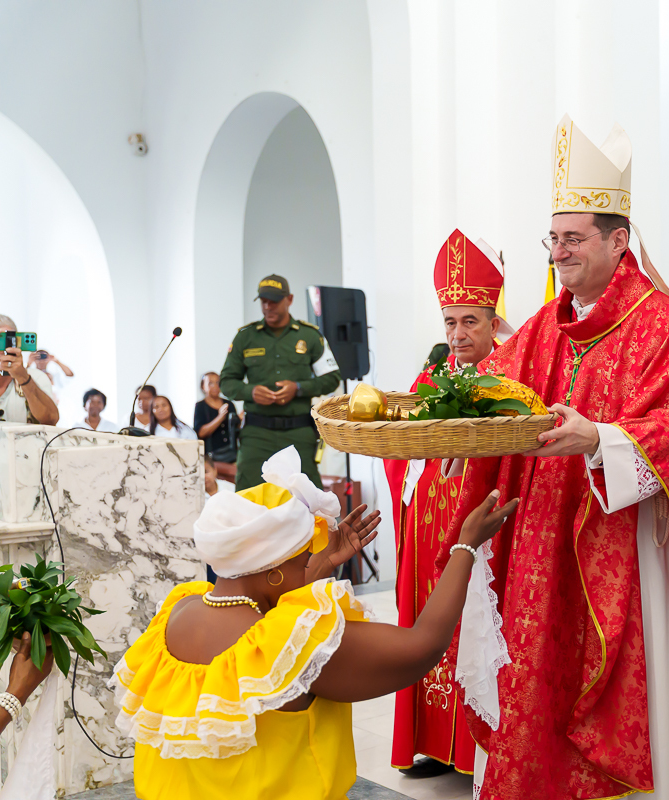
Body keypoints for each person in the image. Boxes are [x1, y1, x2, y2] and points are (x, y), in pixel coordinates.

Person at [438, 115, 669, 799]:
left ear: (617, 239)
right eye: (553, 239)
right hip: (539, 554)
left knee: (621, 699)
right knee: (533, 691)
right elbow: (496, 398)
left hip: (623, 547)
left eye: (573, 239)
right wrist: (460, 434)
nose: (558, 254)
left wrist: (603, 440)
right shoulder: (546, 327)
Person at [110, 446, 517, 800]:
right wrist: (466, 543)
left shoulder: (178, 610)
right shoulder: (284, 639)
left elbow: (275, 606)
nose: (313, 564)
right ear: (273, 572)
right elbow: (423, 646)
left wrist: (317, 567)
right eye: (305, 557)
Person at [384, 229, 513, 778]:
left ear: (492, 321)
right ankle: (436, 744)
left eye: (470, 322)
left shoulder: (512, 376)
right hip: (430, 528)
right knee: (428, 625)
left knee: (476, 624)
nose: (458, 334)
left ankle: (479, 750)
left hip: (482, 528)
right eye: (450, 323)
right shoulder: (431, 376)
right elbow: (403, 448)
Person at [219, 275, 342, 491]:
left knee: (307, 500)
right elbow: (226, 382)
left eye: (274, 301)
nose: (268, 307)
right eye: (263, 302)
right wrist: (251, 391)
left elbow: (332, 378)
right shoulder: (245, 337)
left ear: (290, 299)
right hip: (256, 434)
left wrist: (299, 388)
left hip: (298, 433)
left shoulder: (310, 336)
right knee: (248, 498)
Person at [0, 315, 59, 426]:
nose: (1, 349)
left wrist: (23, 377)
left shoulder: (36, 377)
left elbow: (50, 419)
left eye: (7, 341)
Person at [195, 372, 240, 481]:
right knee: (234, 473)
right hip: (212, 456)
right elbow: (201, 433)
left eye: (217, 383)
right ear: (203, 386)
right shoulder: (201, 406)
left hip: (232, 454)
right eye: (210, 383)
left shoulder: (229, 404)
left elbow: (236, 429)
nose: (215, 386)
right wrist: (220, 417)